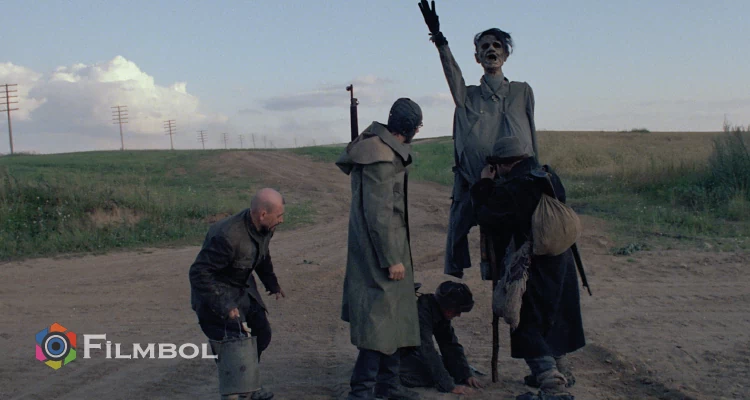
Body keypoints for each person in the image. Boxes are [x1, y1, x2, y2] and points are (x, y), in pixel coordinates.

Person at [418, 0, 539, 279]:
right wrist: (440, 40)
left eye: (496, 46)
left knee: (527, 245)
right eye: (484, 47)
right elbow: (453, 76)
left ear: (505, 54)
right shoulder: (468, 96)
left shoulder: (521, 92)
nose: (491, 50)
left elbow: (532, 135)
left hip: (517, 185)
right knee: (473, 235)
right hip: (478, 183)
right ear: (477, 57)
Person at [469, 137, 585, 400]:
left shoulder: (518, 186)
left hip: (533, 266)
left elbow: (487, 216)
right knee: (553, 317)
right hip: (561, 261)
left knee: (526, 321)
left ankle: (551, 382)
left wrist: (484, 184)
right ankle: (560, 370)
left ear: (505, 164)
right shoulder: (547, 174)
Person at [335, 98, 424, 400]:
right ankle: (361, 392)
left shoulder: (379, 149)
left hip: (385, 247)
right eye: (417, 127)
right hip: (381, 252)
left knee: (393, 317)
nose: (417, 132)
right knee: (379, 323)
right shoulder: (381, 157)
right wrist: (391, 258)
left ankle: (389, 387)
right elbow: (379, 214)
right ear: (410, 128)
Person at [188, 188, 287, 400]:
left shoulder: (265, 227)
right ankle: (235, 391)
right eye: (279, 215)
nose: (282, 220)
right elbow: (199, 273)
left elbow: (262, 255)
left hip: (241, 288)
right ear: (263, 214)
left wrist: (272, 284)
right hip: (214, 294)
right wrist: (224, 305)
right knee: (234, 342)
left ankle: (247, 383)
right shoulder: (227, 236)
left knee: (262, 333)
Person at [399, 281, 483, 396]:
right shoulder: (421, 313)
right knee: (428, 375)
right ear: (447, 307)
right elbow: (427, 350)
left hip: (411, 352)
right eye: (457, 311)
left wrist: (465, 374)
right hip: (394, 356)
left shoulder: (438, 310)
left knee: (450, 369)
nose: (458, 315)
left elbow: (450, 345)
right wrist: (449, 385)